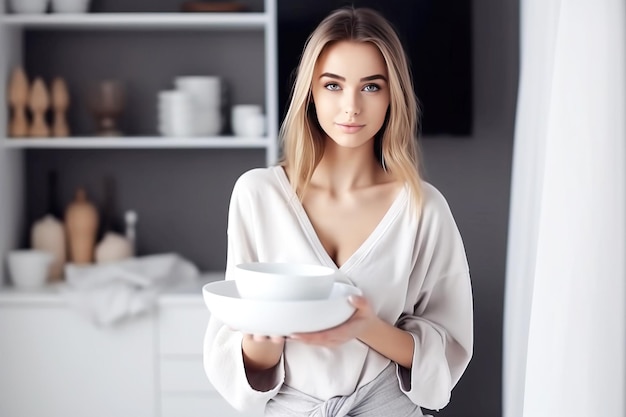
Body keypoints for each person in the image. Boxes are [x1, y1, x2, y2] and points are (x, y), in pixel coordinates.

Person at [204, 6, 473, 416]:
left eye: (370, 87)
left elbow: (447, 351)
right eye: (333, 85)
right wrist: (265, 341)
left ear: (392, 96)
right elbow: (235, 350)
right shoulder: (258, 195)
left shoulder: (424, 209)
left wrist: (365, 327)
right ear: (310, 92)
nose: (351, 106)